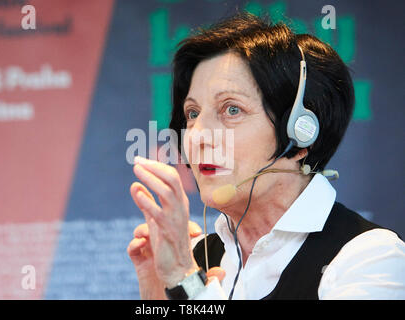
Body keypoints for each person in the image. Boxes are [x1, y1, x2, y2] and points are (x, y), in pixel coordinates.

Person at [127, 12, 405, 300]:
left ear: (301, 135)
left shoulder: (373, 258)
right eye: (193, 113)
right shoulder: (202, 256)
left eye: (231, 109)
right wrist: (156, 289)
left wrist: (186, 281)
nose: (196, 136)